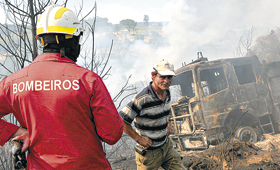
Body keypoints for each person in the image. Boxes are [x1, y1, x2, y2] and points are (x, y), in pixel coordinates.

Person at [0, 4, 123, 169]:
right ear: (70, 41)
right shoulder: (88, 80)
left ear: (41, 40)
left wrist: (18, 132)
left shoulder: (12, 82)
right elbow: (112, 134)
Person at [119, 60, 186, 170]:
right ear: (153, 75)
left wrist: (168, 122)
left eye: (169, 77)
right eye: (162, 77)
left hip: (166, 147)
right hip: (149, 153)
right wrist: (138, 138)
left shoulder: (167, 92)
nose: (166, 81)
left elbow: (166, 109)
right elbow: (121, 120)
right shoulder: (142, 98)